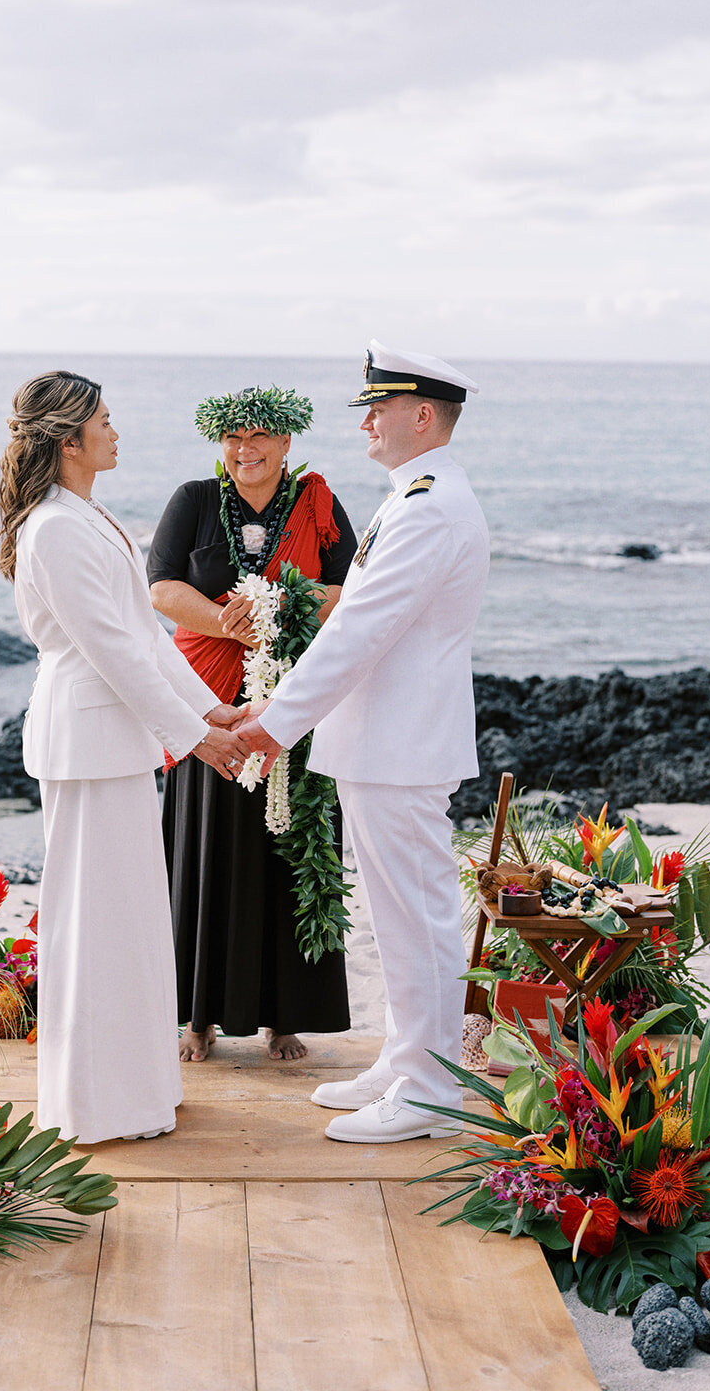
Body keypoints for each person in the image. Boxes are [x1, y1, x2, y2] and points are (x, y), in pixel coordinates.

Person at [236, 341, 490, 1144]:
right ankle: (406, 1059)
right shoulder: (413, 496)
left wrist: (274, 724)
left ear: (424, 415)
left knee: (416, 917)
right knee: (397, 916)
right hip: (386, 742)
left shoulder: (430, 505)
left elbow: (360, 632)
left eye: (379, 408)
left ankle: (429, 1091)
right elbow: (356, 626)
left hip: (402, 745)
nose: (366, 421)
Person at [0, 369, 247, 1143]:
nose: (116, 429)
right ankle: (97, 1106)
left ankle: (138, 1091)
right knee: (95, 926)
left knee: (133, 923)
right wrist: (196, 737)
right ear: (70, 439)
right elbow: (110, 651)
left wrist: (212, 708)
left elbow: (144, 635)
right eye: (104, 420)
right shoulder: (54, 528)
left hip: (118, 744)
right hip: (85, 743)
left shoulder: (86, 515)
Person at [148, 386, 357, 1061]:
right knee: (204, 848)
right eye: (233, 439)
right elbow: (160, 586)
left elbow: (349, 589)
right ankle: (197, 1016)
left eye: (259, 437)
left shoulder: (318, 504)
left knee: (289, 849)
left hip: (292, 698)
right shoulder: (194, 501)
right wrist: (227, 621)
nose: (245, 450)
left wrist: (278, 608)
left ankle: (284, 1014)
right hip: (205, 698)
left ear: (287, 442)